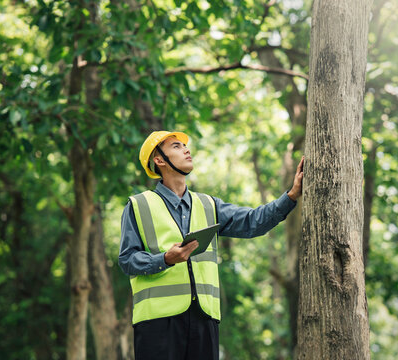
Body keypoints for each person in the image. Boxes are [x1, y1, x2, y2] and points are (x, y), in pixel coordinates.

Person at [119, 130, 304, 360]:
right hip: (157, 325)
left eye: (185, 146)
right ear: (159, 160)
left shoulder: (208, 205)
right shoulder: (138, 205)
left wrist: (292, 196)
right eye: (176, 147)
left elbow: (253, 222)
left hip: (204, 321)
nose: (186, 149)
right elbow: (127, 260)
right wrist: (164, 259)